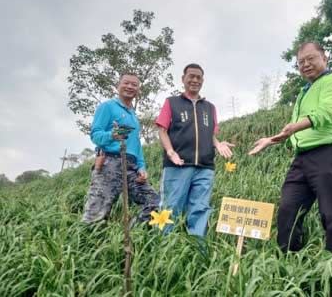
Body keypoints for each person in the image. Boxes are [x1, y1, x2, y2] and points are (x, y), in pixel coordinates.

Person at [249, 42, 332, 255]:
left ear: (324, 59)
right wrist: (270, 140)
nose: (306, 64)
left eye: (311, 59)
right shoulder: (303, 92)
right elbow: (293, 131)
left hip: (329, 151)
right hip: (303, 157)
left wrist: (295, 127)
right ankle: (290, 260)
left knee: (330, 211)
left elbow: (326, 113)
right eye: (301, 62)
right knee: (289, 208)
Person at [155, 63, 234, 237]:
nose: (195, 80)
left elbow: (210, 134)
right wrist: (170, 151)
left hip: (205, 168)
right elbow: (162, 130)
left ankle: (197, 251)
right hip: (178, 165)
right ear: (183, 79)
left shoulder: (210, 108)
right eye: (191, 76)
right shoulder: (172, 103)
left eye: (199, 77)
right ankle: (163, 249)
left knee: (200, 209)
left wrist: (218, 144)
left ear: (203, 81)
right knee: (170, 208)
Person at [82, 73, 160, 224]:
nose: (130, 87)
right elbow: (95, 135)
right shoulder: (107, 107)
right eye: (126, 83)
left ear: (138, 90)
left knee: (154, 203)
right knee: (97, 212)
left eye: (134, 85)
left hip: (132, 167)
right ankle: (89, 244)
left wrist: (142, 167)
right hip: (109, 163)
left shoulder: (134, 116)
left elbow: (136, 145)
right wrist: (113, 135)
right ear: (118, 86)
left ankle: (131, 238)